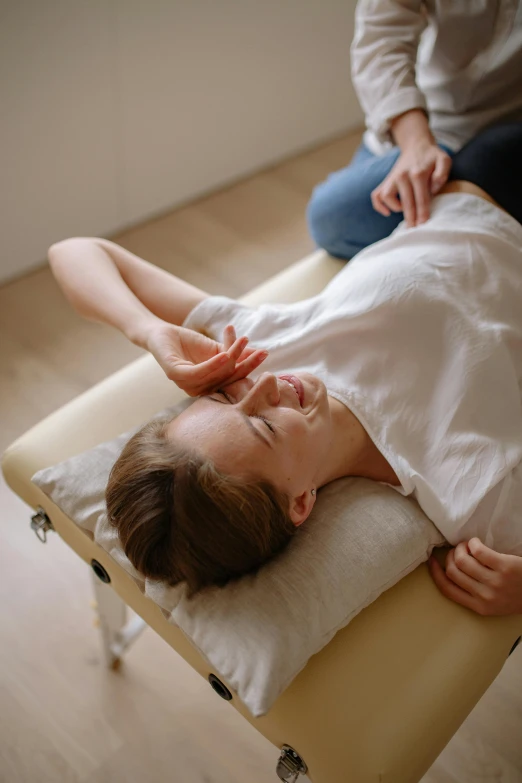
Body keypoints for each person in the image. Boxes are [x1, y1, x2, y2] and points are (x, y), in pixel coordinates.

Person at [48, 124, 522, 616]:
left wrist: (146, 329)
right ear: (300, 503)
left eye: (224, 397)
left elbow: (76, 251)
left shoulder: (255, 350)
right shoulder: (464, 487)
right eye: (264, 424)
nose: (267, 384)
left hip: (484, 182)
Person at [307, 0, 522, 259]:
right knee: (333, 221)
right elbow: (380, 41)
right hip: (422, 121)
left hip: (503, 140)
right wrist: (415, 143)